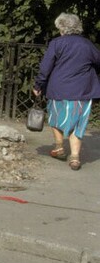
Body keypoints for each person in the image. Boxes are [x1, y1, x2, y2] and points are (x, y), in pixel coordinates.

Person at [33, 13, 100, 171]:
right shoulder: (88, 45)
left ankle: (59, 148)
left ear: (62, 28)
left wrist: (38, 85)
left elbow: (45, 67)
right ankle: (75, 158)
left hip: (59, 88)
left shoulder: (57, 43)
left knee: (55, 118)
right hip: (83, 90)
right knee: (79, 122)